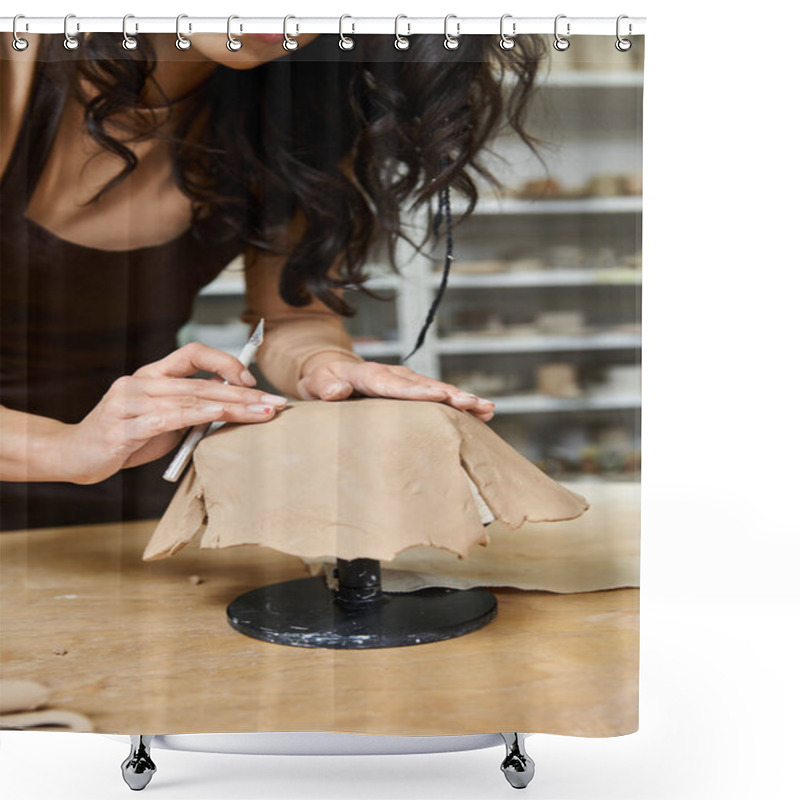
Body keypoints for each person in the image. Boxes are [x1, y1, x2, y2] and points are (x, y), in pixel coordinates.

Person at [0, 30, 546, 531]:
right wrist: (65, 450)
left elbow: (294, 317)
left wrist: (328, 368)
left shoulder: (291, 108)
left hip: (137, 489)